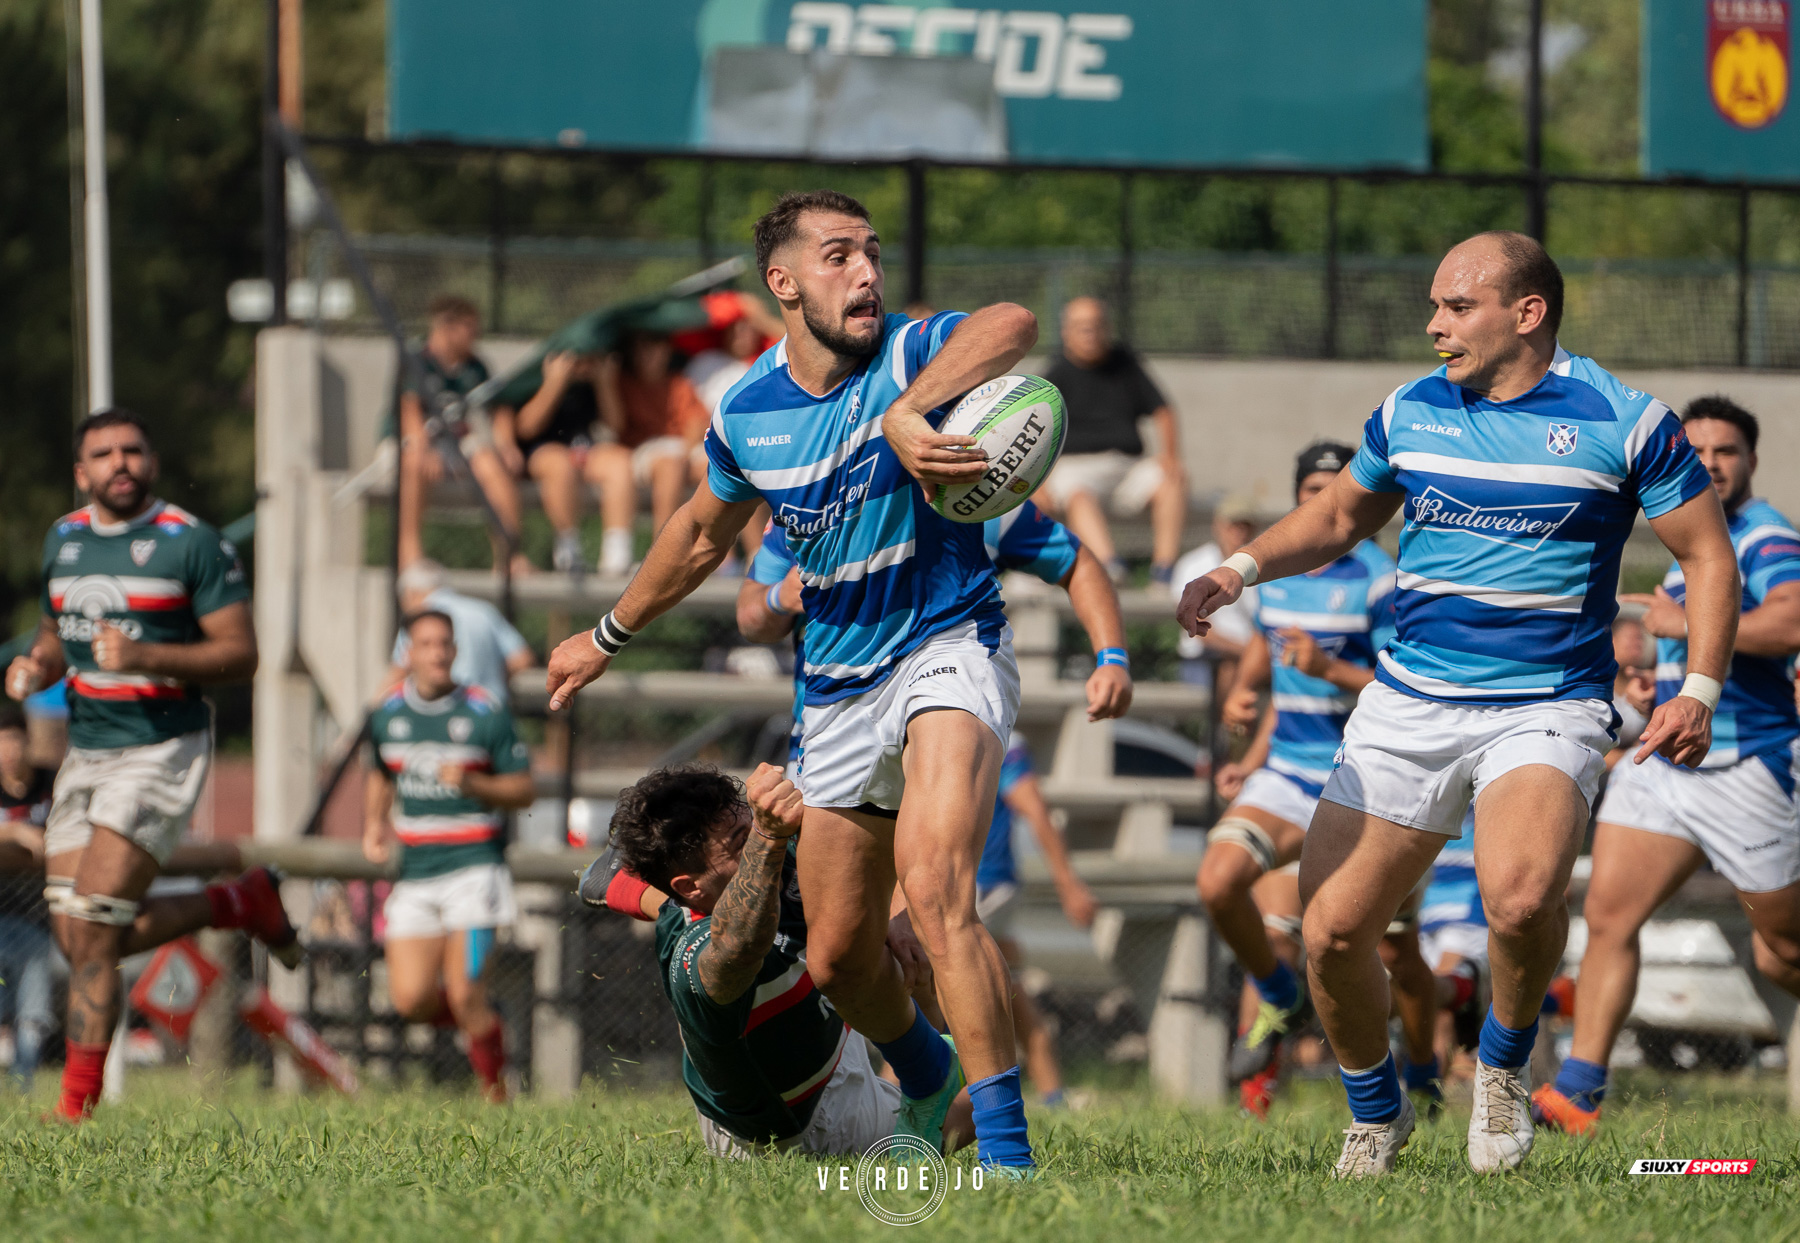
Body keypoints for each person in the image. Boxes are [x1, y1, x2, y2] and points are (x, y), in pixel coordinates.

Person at [1177, 231, 1737, 1177]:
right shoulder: (1411, 409)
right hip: (1412, 701)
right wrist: (1238, 568)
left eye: (1456, 306)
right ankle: (1373, 1108)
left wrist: (1700, 688)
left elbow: (1707, 556)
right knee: (1331, 931)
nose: (1435, 324)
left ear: (1528, 314)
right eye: (1433, 305)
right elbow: (1338, 520)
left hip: (1547, 704)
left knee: (1519, 901)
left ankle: (1507, 1070)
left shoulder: (1627, 419)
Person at [544, 189, 1044, 1172]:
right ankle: (927, 1068)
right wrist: (607, 633)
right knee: (841, 957)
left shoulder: (908, 357)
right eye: (837, 256)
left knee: (939, 889)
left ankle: (1009, 1158)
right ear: (782, 283)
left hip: (948, 646)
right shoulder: (749, 414)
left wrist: (909, 409)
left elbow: (1012, 323)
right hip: (838, 691)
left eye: (870, 254)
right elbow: (697, 535)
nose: (865, 273)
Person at [735, 499, 1120, 1105]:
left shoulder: (975, 497)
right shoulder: (808, 505)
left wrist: (1113, 656)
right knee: (840, 958)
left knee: (933, 914)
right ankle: (923, 1087)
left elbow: (1079, 562)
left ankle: (1000, 1131)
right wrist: (784, 597)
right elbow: (751, 615)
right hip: (834, 736)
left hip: (943, 696)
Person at [6, 409, 302, 1122]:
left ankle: (74, 1110)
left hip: (160, 750)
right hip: (87, 753)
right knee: (80, 935)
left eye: (132, 450)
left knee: (97, 928)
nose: (120, 462)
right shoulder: (65, 539)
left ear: (153, 461)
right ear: (82, 473)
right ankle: (237, 900)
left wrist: (146, 656)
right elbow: (57, 628)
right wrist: (37, 661)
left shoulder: (190, 543)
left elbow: (242, 653)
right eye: (103, 453)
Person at [1535, 396, 1800, 1136]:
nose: (1711, 462)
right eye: (1701, 449)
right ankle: (1580, 1090)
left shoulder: (1767, 535)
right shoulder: (1686, 529)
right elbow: (1699, 647)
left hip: (1750, 765)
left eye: (1727, 451)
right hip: (1668, 759)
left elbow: (1790, 621)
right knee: (1611, 914)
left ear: (1751, 462)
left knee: (1784, 950)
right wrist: (1657, 671)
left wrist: (1680, 623)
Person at [1195, 443, 1442, 1112]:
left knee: (1398, 957)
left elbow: (1407, 685)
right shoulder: (1278, 576)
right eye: (1310, 487)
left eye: (1333, 488)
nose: (1320, 499)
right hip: (1286, 777)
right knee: (1220, 885)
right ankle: (1279, 1001)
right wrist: (1243, 700)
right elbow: (1263, 649)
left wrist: (1329, 669)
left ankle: (1423, 1068)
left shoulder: (1379, 579)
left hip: (1363, 787)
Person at [596, 763, 973, 1156]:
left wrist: (898, 909)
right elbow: (738, 946)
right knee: (988, 1080)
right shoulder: (693, 956)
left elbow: (882, 840)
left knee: (898, 955)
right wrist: (766, 835)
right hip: (795, 1129)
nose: (766, 837)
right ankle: (924, 1122)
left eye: (752, 819)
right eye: (742, 841)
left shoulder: (705, 886)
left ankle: (919, 1084)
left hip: (822, 1045)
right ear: (691, 887)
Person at [364, 610, 533, 1102]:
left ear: (456, 651)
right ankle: (481, 1025)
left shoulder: (484, 711)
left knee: (462, 990)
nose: (438, 653)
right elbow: (380, 770)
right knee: (410, 1000)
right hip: (415, 873)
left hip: (474, 870)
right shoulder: (388, 713)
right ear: (408, 654)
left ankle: (494, 1090)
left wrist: (473, 782)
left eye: (445, 643)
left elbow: (524, 790)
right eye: (427, 644)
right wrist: (375, 823)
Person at [1037, 297, 1187, 587]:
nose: (1090, 334)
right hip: (1076, 469)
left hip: (1127, 467)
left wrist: (1171, 455)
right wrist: (1040, 482)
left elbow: (1163, 410)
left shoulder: (1125, 363)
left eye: (1096, 326)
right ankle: (1110, 567)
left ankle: (1164, 571)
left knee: (1173, 479)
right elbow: (1037, 429)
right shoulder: (1055, 375)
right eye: (1082, 328)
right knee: (1077, 495)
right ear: (1066, 332)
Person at [395, 294, 523, 575]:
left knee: (492, 463)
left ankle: (509, 557)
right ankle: (409, 554)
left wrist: (507, 445)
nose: (475, 336)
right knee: (413, 462)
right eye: (470, 328)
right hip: (415, 440)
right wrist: (422, 448)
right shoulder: (418, 360)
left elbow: (499, 409)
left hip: (457, 442)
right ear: (447, 326)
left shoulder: (475, 366)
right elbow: (410, 412)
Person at [589, 332, 713, 577]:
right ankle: (662, 555)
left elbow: (697, 423)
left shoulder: (678, 383)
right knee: (671, 463)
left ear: (666, 351)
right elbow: (615, 427)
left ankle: (739, 557)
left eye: (656, 348)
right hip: (637, 454)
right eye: (644, 348)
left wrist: (689, 448)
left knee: (724, 465)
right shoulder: (623, 382)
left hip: (680, 451)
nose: (650, 355)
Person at [490, 350, 603, 578]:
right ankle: (563, 548)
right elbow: (526, 428)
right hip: (537, 458)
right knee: (558, 463)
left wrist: (603, 382)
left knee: (616, 463)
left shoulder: (591, 385)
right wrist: (555, 383)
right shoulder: (529, 381)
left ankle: (615, 555)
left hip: (582, 458)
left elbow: (616, 423)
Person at [387, 559, 534, 708]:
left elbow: (398, 674)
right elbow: (522, 658)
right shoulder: (484, 611)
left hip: (445, 711)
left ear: (411, 593)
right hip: (490, 708)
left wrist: (374, 710)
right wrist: (491, 679)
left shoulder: (421, 621)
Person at [0, 706, 57, 1089]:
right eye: (2, 742)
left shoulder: (53, 782)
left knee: (36, 966)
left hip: (47, 922)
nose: (10, 751)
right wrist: (19, 834)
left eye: (15, 740)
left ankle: (24, 1081)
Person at [1172, 496, 1260, 689]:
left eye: (1244, 526)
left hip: (1249, 654)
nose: (1239, 532)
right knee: (1230, 666)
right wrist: (1249, 652)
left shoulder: (1264, 568)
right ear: (1218, 526)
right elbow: (1198, 630)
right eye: (1233, 525)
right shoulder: (1194, 564)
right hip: (1206, 656)